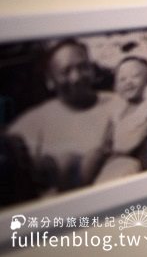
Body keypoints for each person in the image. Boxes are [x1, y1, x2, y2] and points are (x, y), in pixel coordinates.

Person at [5, 40, 117, 192]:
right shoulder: (31, 123)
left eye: (82, 67)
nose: (76, 77)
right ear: (50, 81)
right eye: (65, 71)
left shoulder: (117, 103)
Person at [105, 56, 147, 174]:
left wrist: (106, 153)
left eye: (135, 76)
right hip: (108, 158)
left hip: (129, 160)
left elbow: (131, 143)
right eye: (122, 79)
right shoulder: (115, 109)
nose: (128, 82)